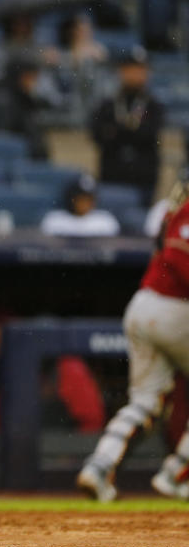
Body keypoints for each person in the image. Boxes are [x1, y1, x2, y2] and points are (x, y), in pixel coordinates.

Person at [77, 176, 189, 502]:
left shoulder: (173, 211)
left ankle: (99, 467)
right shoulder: (184, 214)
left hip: (144, 306)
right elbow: (183, 263)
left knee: (144, 402)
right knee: (145, 401)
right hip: (173, 306)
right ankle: (176, 473)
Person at [89, 46, 165, 206]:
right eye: (129, 69)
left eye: (139, 69)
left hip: (143, 180)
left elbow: (149, 133)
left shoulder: (153, 105)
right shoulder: (108, 105)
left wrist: (116, 131)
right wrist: (131, 131)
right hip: (112, 177)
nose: (134, 74)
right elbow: (97, 135)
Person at [0, 54, 50, 160]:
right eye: (31, 77)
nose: (33, 83)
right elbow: (5, 144)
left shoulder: (24, 99)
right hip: (18, 165)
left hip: (32, 162)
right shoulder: (5, 103)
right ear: (19, 76)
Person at [40, 173, 120, 238]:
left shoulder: (106, 221)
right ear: (71, 199)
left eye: (88, 199)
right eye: (80, 199)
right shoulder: (54, 220)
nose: (84, 203)